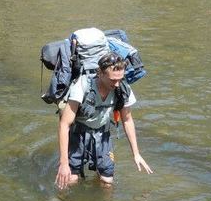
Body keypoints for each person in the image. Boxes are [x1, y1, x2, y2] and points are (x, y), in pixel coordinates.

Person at [56, 51, 153, 189]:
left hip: (102, 133)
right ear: (100, 73)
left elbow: (127, 120)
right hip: (77, 134)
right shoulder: (82, 86)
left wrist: (136, 154)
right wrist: (63, 163)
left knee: (107, 182)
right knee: (70, 180)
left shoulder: (122, 89)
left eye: (120, 79)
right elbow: (64, 124)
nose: (117, 84)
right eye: (113, 80)